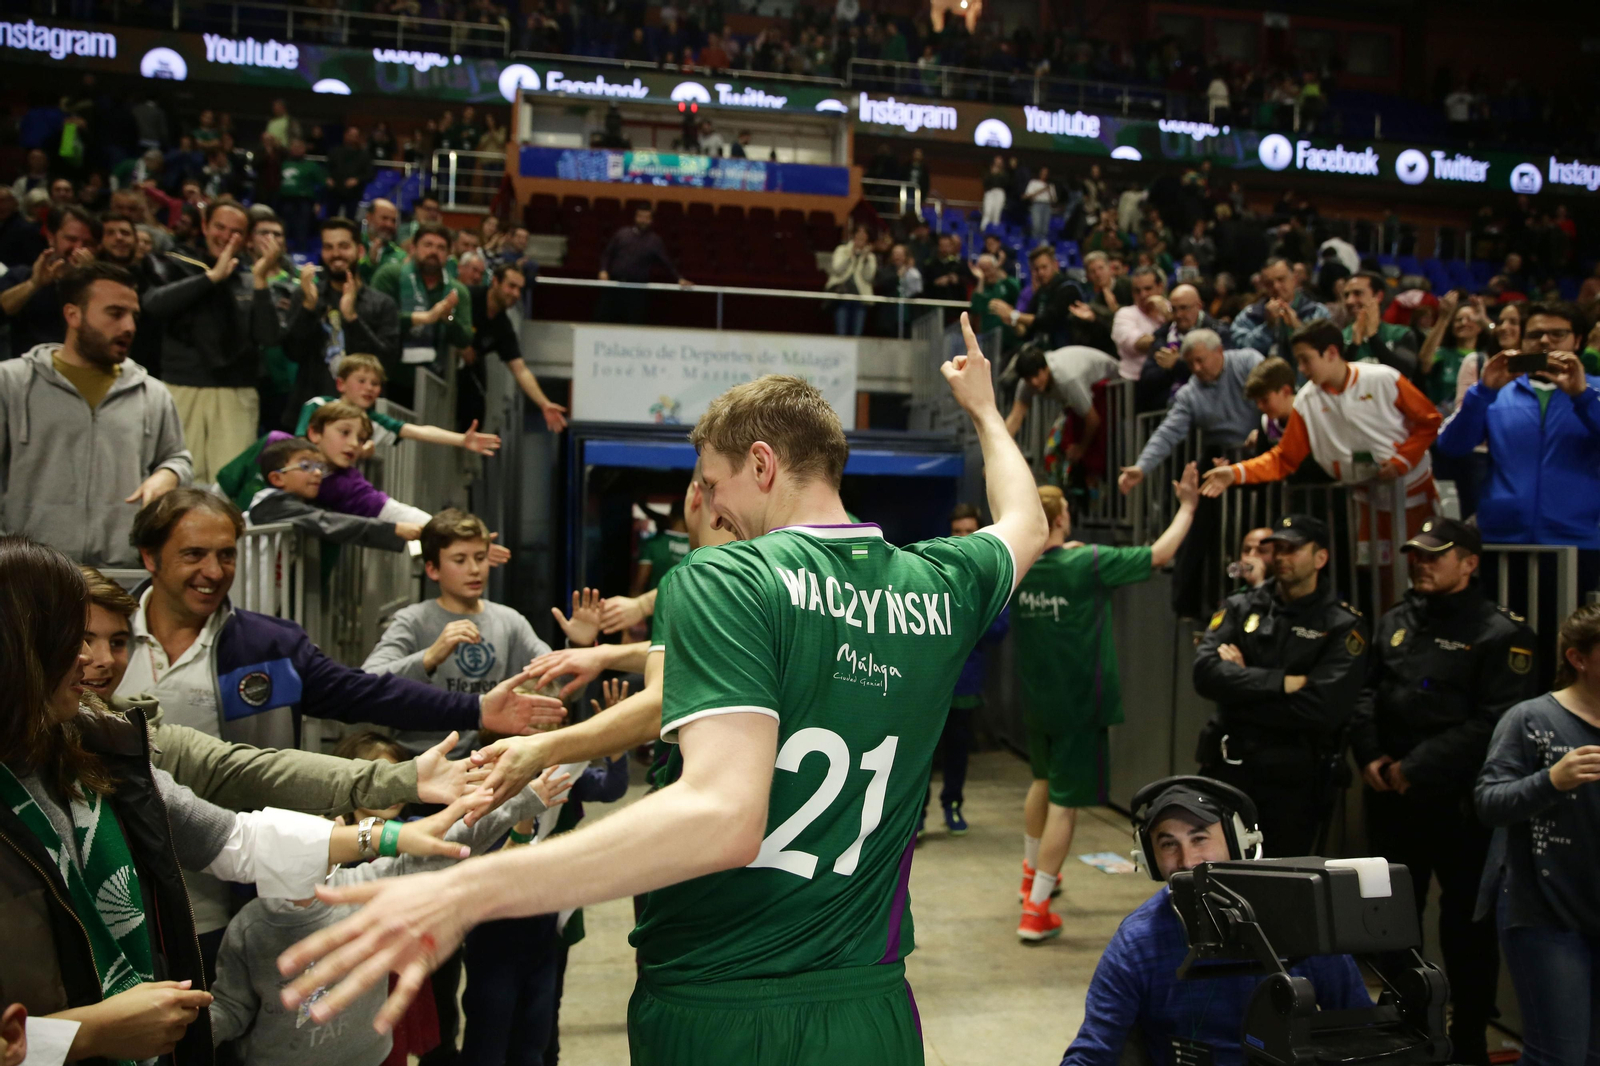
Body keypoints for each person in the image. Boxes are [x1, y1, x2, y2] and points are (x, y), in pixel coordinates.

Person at [275, 313, 1049, 1065]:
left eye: (713, 483)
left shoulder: (727, 575)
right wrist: (983, 411)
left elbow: (721, 816)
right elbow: (1026, 523)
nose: (711, 508)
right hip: (874, 1008)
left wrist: (471, 890)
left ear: (761, 465)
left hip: (721, 1004)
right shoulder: (938, 580)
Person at [0, 536, 482, 1066]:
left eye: (114, 641)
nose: (91, 659)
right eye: (72, 636)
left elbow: (231, 833)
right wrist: (84, 1035)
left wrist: (390, 820)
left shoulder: (96, 742)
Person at [1350, 517, 1535, 1066]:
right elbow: (1366, 694)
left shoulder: (1502, 633)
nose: (1422, 563)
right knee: (1389, 918)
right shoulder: (1396, 620)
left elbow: (1495, 722)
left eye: (1436, 555)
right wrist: (1373, 756)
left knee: (1466, 929)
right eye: (1417, 554)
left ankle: (1469, 1037)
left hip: (1458, 806)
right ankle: (1401, 1027)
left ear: (1470, 563)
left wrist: (1418, 766)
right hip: (1392, 798)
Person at [1059, 776, 1370, 1066]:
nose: (1187, 861)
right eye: (1168, 844)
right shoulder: (1137, 942)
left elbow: (1363, 1031)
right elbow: (1093, 1052)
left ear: (1238, 843)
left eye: (1200, 838)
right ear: (1150, 858)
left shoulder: (1303, 922)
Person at [1015, 468, 1200, 940]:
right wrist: (1188, 507)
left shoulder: (1021, 565)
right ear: (1060, 521)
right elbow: (1160, 553)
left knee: (1041, 780)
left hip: (1038, 699)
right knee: (1065, 803)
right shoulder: (1087, 563)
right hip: (1080, 703)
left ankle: (1030, 877)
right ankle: (1036, 911)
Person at [1193, 514, 1369, 856]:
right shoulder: (1241, 606)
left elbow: (1322, 707)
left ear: (1320, 558)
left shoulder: (1343, 624)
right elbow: (1205, 673)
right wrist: (1280, 682)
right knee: (1217, 871)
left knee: (1282, 883)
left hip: (1294, 779)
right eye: (1277, 549)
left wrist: (1242, 683)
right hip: (1231, 764)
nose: (1281, 557)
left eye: (1292, 549)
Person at [0, 261, 191, 567]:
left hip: (121, 573)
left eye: (133, 316)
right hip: (29, 574)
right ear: (73, 315)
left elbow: (177, 458)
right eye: (115, 314)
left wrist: (168, 475)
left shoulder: (152, 393)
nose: (129, 327)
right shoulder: (10, 383)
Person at [1477, 604, 1600, 1066]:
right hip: (1544, 907)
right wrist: (1551, 780)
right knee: (1559, 1056)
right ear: (1579, 658)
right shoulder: (1530, 719)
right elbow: (1488, 802)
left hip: (1595, 894)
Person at [1202, 320, 1442, 552]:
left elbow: (1430, 421)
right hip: (1365, 501)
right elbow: (1283, 459)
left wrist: (1402, 460)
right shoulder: (1306, 402)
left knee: (1425, 566)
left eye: (1306, 360)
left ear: (1331, 352)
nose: (1302, 370)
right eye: (1299, 361)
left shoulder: (1383, 378)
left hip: (1412, 491)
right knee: (1378, 578)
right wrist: (1235, 473)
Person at [363, 509, 563, 755]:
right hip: (420, 764)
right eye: (460, 560)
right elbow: (366, 683)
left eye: (480, 558)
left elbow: (558, 687)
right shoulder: (413, 621)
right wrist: (429, 657)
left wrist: (580, 644)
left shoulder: (509, 622)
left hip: (489, 763)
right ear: (433, 569)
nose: (474, 569)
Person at [1436, 301, 1600, 589]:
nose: (1545, 341)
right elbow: (1451, 446)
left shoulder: (1595, 392)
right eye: (1535, 335)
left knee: (1570, 633)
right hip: (1502, 539)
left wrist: (1582, 397)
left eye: (1557, 334)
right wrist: (1483, 392)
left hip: (1579, 540)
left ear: (1579, 340)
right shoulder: (1495, 392)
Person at [1120, 333, 1264, 618]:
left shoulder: (1248, 361)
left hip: (1260, 452)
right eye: (1190, 363)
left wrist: (1266, 427)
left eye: (1200, 360)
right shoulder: (1189, 392)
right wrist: (1142, 466)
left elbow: (1276, 391)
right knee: (1201, 532)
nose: (1196, 368)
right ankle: (1200, 604)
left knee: (1254, 529)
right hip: (1216, 457)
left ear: (1219, 351)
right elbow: (1168, 431)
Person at [142, 198, 283, 483]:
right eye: (220, 226)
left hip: (235, 392)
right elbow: (154, 306)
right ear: (205, 226)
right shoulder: (173, 264)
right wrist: (212, 277)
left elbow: (268, 336)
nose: (225, 236)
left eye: (236, 232)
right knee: (177, 483)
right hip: (181, 387)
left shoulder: (249, 279)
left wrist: (259, 282)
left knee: (228, 486)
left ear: (245, 240)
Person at [920, 503, 1009, 839]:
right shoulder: (931, 568)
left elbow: (999, 630)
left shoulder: (992, 576)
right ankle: (917, 815)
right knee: (923, 754)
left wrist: (964, 620)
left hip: (966, 683)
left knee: (958, 750)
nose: (962, 538)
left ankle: (952, 804)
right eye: (957, 531)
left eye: (969, 531)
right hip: (929, 684)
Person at [283, 217, 401, 414]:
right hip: (310, 412)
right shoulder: (306, 295)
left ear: (360, 251)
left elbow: (386, 363)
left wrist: (352, 318)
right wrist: (308, 308)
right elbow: (293, 352)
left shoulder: (383, 303)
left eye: (343, 246)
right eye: (328, 247)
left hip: (363, 416)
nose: (336, 254)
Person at [245, 436, 420, 553]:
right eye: (306, 466)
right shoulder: (271, 505)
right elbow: (325, 521)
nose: (317, 473)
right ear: (277, 478)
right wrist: (394, 529)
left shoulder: (294, 503)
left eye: (320, 467)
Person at [370, 222, 472, 407]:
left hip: (432, 383)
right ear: (413, 248)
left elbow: (465, 339)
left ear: (449, 254)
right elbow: (374, 319)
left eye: (441, 247)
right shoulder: (390, 276)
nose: (434, 251)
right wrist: (424, 318)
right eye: (428, 245)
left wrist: (448, 318)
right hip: (385, 377)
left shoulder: (456, 291)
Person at [461, 263, 568, 431]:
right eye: (511, 286)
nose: (516, 294)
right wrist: (460, 343)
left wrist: (544, 403)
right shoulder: (468, 296)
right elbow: (447, 317)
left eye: (520, 289)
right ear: (495, 282)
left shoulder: (503, 327)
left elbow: (520, 370)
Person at [1002, 343, 1119, 471]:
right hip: (1079, 405)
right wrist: (998, 452)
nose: (1034, 383)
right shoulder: (1026, 384)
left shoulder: (1067, 379)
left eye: (1037, 376)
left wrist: (1081, 448)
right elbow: (1015, 417)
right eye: (1029, 379)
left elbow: (1093, 420)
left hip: (1109, 391)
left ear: (1045, 368)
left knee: (1085, 458)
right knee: (1052, 456)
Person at [0, 204, 99, 354]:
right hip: (29, 367)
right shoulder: (21, 275)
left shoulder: (104, 282)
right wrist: (33, 284)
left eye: (88, 243)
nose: (78, 248)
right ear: (51, 238)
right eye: (71, 239)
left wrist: (90, 278)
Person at [988, 245, 1108, 352]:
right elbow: (1027, 331)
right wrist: (1012, 321)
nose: (1040, 272)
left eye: (1044, 267)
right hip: (1043, 352)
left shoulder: (1069, 287)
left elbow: (1047, 321)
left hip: (1068, 352)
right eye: (1036, 269)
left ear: (1055, 265)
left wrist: (1014, 315)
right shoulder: (1041, 292)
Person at [1134, 283, 1233, 412]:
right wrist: (1171, 370)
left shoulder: (1219, 332)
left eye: (1184, 308)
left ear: (1199, 306)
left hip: (1211, 408)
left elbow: (1219, 371)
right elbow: (1147, 379)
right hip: (1168, 409)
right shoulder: (1162, 335)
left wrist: (1176, 364)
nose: (1179, 314)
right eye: (1174, 309)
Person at [596, 207, 691, 325]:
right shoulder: (621, 234)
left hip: (638, 290)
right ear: (635, 218)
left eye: (646, 218)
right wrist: (603, 269)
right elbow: (607, 254)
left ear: (651, 220)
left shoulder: (655, 241)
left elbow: (667, 263)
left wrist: (679, 278)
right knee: (605, 321)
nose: (643, 220)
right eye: (640, 216)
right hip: (614, 286)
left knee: (634, 323)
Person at [1230, 257, 1333, 358]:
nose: (1276, 287)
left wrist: (1298, 328)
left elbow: (1327, 350)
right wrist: (1268, 326)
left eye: (1281, 279)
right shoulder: (1250, 315)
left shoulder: (1316, 312)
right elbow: (1240, 352)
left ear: (1295, 279)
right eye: (1269, 283)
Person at [1343, 271, 1419, 379]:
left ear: (1378, 296)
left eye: (1358, 293)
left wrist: (1373, 337)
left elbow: (1403, 374)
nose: (1349, 301)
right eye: (1346, 295)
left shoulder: (1401, 334)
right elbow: (1337, 379)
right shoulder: (1340, 337)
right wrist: (1354, 345)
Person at [1111, 266, 1171, 382]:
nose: (1143, 295)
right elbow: (1139, 344)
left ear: (1160, 288)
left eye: (1148, 289)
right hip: (1135, 381)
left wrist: (1169, 316)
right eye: (1137, 291)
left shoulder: (1172, 310)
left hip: (1168, 378)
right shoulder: (1125, 314)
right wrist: (1170, 326)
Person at [826, 226, 876, 336]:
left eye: (864, 234)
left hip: (860, 299)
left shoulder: (870, 257)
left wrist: (866, 259)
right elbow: (837, 269)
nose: (861, 236)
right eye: (859, 233)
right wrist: (850, 255)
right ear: (853, 235)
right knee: (841, 333)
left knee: (857, 335)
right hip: (842, 297)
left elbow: (869, 277)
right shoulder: (842, 250)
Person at [326, 126, 372, 220]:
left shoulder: (364, 155)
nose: (352, 137)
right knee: (331, 218)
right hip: (335, 190)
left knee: (350, 220)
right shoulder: (335, 151)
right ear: (345, 135)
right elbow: (327, 168)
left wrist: (357, 180)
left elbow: (370, 174)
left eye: (355, 135)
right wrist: (328, 178)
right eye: (350, 135)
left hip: (353, 193)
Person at [1081, 251, 1132, 334]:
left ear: (1109, 268)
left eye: (1101, 268)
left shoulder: (1128, 285)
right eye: (1092, 271)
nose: (1098, 274)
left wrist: (1116, 308)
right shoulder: (1093, 298)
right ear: (1088, 276)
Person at [1024, 166, 1056, 242]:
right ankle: (1034, 244)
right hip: (1037, 204)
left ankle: (1042, 245)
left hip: (1047, 206)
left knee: (1045, 229)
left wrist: (1048, 191)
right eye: (1043, 172)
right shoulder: (1033, 182)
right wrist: (1041, 190)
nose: (1044, 174)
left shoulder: (1050, 185)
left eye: (1046, 173)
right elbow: (1028, 196)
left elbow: (1054, 200)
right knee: (1036, 226)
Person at [980, 155, 1008, 229]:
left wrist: (999, 174)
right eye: (996, 161)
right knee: (987, 212)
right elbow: (985, 183)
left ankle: (994, 231)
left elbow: (1007, 184)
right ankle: (984, 229)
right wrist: (992, 174)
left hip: (1000, 193)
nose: (998, 163)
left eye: (1000, 162)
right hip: (990, 192)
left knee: (996, 214)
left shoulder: (1004, 174)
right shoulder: (988, 172)